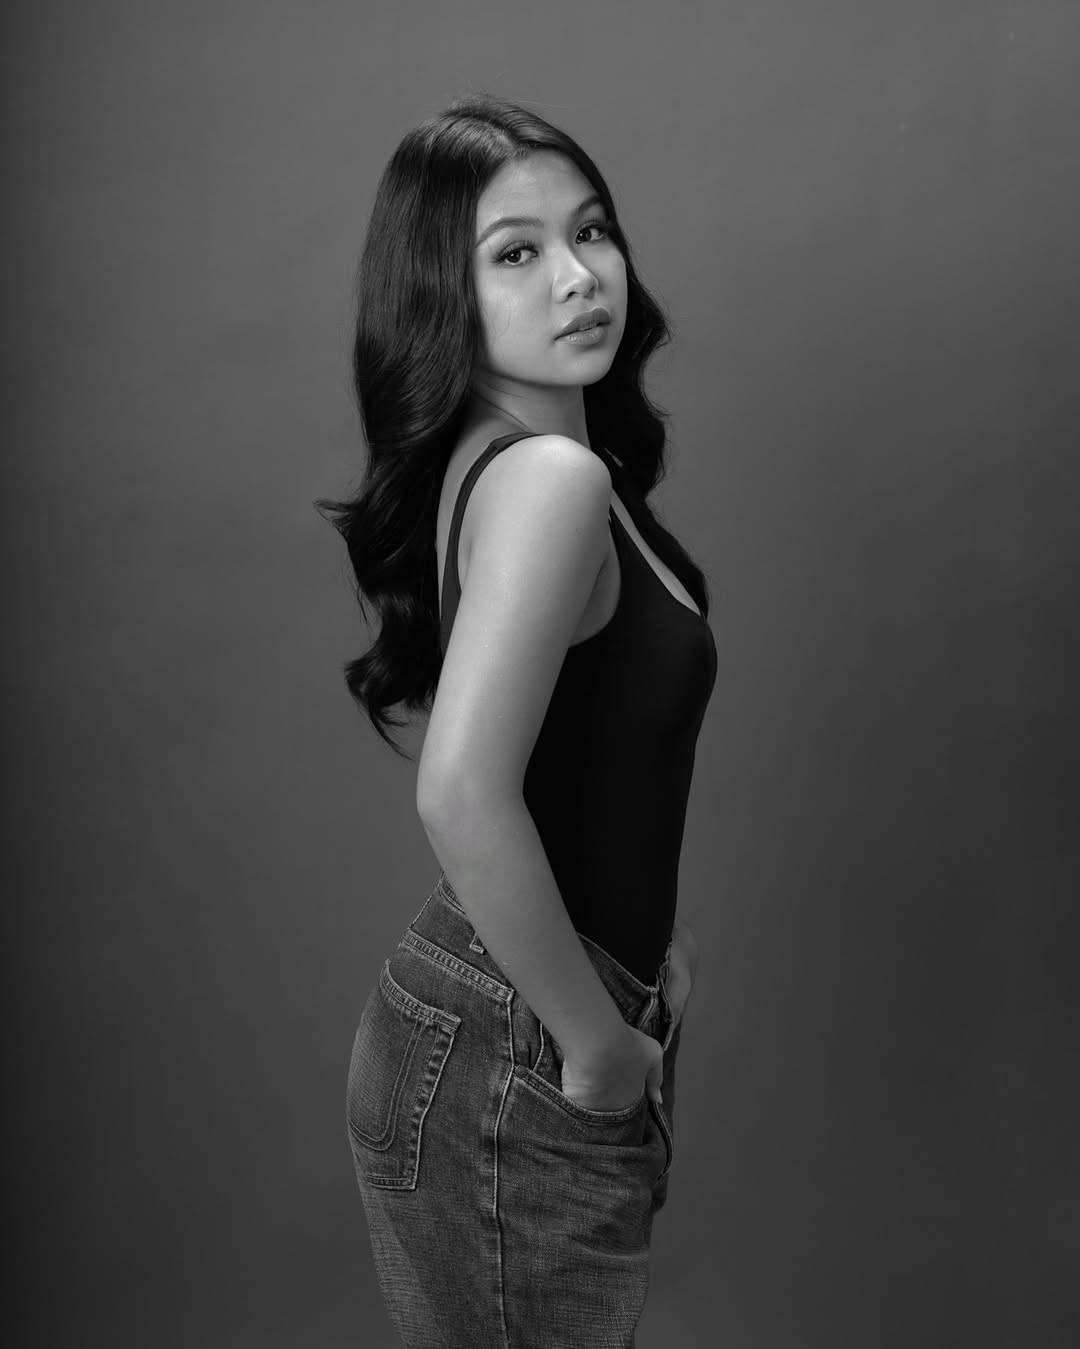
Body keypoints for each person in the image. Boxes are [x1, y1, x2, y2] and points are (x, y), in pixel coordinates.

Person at [317, 92, 717, 1349]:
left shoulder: (512, 460)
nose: (578, 276)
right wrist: (595, 1042)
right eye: (516, 252)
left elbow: (584, 753)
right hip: (518, 1042)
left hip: (508, 1014)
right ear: (445, 296)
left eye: (591, 231)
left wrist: (644, 955)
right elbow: (459, 789)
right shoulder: (548, 476)